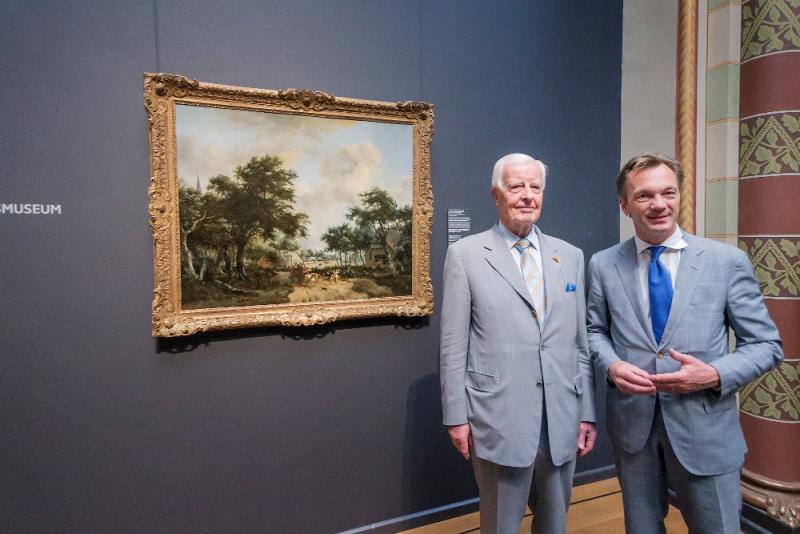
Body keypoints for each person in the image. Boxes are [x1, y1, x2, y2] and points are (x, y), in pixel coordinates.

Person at [586, 153, 783, 533]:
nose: (658, 204)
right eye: (644, 196)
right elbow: (595, 331)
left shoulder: (726, 262)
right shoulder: (604, 265)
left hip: (705, 430)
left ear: (680, 196)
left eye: (668, 192)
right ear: (624, 205)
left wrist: (712, 374)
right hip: (633, 433)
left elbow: (766, 345)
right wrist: (611, 365)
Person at [440, 153, 597, 534]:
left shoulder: (570, 256)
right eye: (516, 186)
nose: (527, 195)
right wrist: (455, 416)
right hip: (497, 416)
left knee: (554, 523)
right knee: (500, 525)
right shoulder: (467, 255)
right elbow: (452, 344)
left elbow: (580, 341)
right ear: (496, 194)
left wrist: (587, 410)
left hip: (561, 415)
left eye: (535, 187)